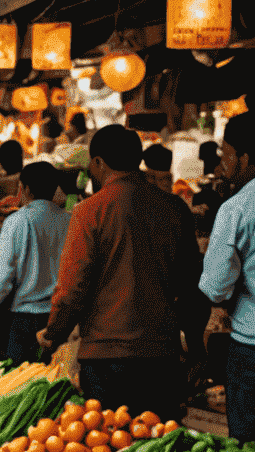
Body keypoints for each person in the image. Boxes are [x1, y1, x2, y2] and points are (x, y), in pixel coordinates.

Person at [40, 125, 207, 418]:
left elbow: (72, 288)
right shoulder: (174, 208)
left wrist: (53, 334)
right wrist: (194, 347)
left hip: (106, 359)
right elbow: (192, 286)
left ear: (98, 163)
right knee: (157, 443)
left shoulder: (89, 211)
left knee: (109, 447)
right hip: (161, 354)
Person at [200, 113, 255, 437]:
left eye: (226, 154)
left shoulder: (238, 207)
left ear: (245, 158)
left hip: (250, 348)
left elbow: (215, 287)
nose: (223, 164)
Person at [0, 162, 71, 363]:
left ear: (25, 188)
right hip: (58, 319)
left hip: (22, 320)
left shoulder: (15, 222)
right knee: (53, 380)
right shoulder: (71, 221)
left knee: (18, 382)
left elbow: (3, 275)